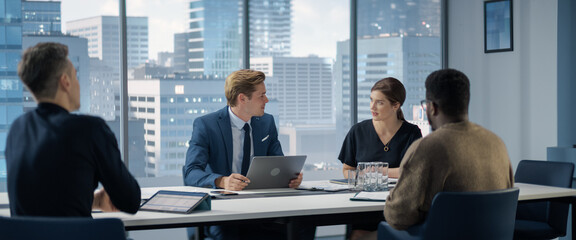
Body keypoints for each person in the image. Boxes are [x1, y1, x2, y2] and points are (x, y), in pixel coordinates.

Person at [5, 42, 141, 217]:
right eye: (75, 76)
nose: (78, 83)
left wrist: (96, 201)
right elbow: (130, 200)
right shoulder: (90, 130)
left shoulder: (17, 130)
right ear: (65, 81)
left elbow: (41, 202)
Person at [183, 69, 311, 240]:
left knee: (303, 224)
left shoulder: (267, 122)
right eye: (261, 95)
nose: (267, 100)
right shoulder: (206, 125)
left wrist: (290, 177)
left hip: (260, 206)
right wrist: (222, 181)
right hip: (224, 211)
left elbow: (278, 163)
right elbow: (191, 172)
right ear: (242, 98)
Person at [384, 68, 514, 230]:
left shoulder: (426, 148)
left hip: (440, 235)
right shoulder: (497, 143)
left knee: (360, 236)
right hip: (492, 234)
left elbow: (398, 217)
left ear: (432, 108)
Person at [338, 77, 422, 240]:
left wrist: (376, 171)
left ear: (396, 105)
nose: (372, 107)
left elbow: (411, 172)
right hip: (362, 203)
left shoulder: (412, 133)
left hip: (398, 205)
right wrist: (360, 176)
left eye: (380, 102)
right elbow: (347, 170)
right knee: (357, 234)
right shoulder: (358, 131)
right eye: (371, 100)